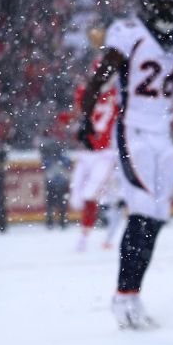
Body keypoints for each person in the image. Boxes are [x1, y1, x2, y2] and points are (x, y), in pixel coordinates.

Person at [78, 0, 173, 329]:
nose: (172, 11)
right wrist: (86, 119)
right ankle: (123, 296)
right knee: (142, 209)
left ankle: (134, 293)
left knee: (158, 215)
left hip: (162, 134)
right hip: (133, 129)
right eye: (166, 4)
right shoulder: (128, 32)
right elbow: (100, 77)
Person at [68, 26, 122, 251]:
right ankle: (107, 233)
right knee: (76, 199)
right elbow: (75, 113)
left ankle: (88, 237)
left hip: (106, 154)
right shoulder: (85, 91)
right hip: (87, 152)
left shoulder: (117, 94)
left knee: (94, 195)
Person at [40, 134, 72, 230]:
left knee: (59, 204)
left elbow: (67, 164)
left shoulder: (62, 158)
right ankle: (53, 222)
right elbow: (45, 165)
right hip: (53, 183)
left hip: (59, 183)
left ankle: (61, 221)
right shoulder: (49, 158)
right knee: (53, 205)